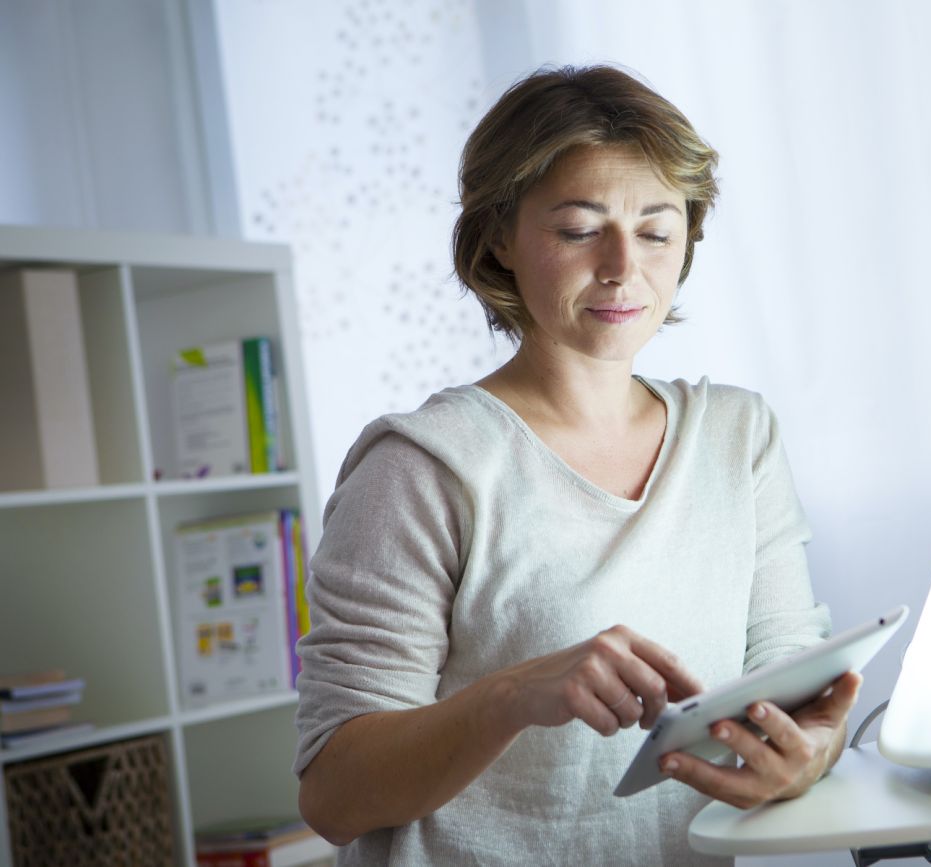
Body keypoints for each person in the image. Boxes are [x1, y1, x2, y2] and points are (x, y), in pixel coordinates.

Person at [293, 64, 861, 865]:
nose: (624, 266)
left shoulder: (740, 436)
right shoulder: (423, 467)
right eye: (578, 229)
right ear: (499, 236)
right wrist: (511, 696)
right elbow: (333, 795)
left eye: (658, 230)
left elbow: (795, 684)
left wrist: (815, 749)